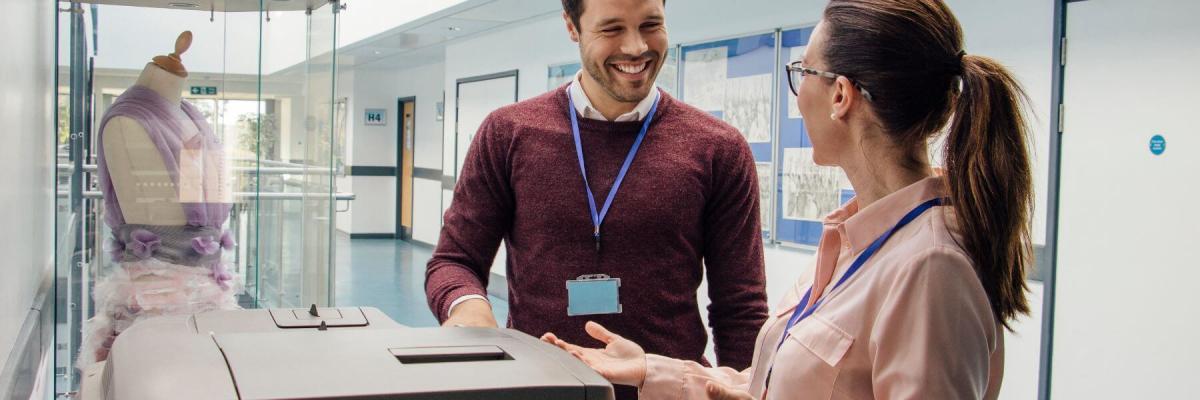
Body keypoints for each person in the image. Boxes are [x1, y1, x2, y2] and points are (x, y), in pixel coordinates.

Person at [542, 0, 1035, 398]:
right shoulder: (851, 241)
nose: (798, 94)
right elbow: (777, 385)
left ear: (840, 95)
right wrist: (651, 369)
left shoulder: (930, 266)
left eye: (804, 72)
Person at [424, 0, 770, 397]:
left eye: (651, 24)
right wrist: (468, 307)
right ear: (572, 26)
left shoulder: (717, 148)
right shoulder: (509, 134)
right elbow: (454, 260)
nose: (637, 47)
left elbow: (740, 308)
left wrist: (743, 391)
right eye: (612, 30)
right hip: (538, 388)